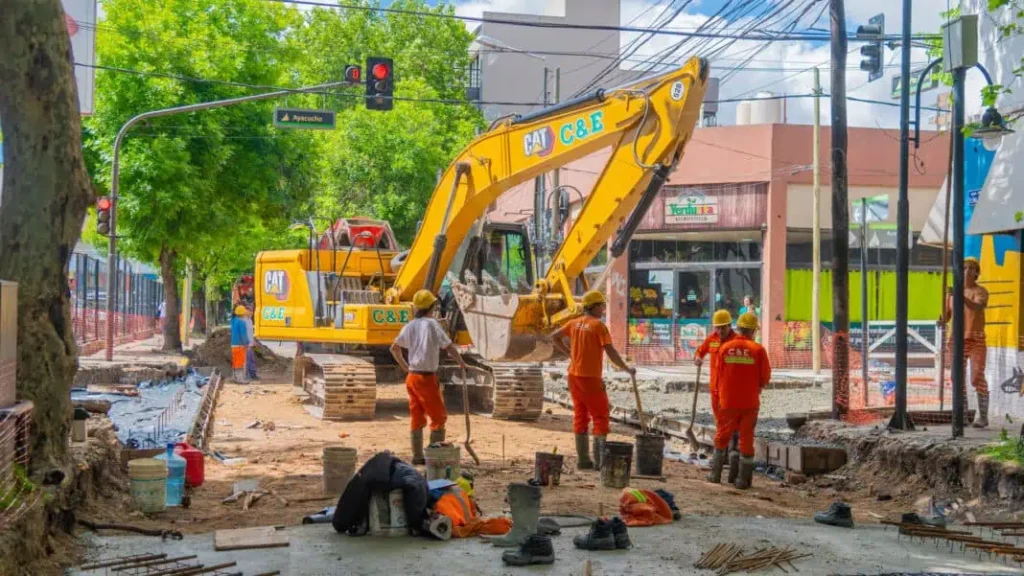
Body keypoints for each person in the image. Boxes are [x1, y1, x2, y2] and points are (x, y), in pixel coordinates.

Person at [549, 290, 635, 471]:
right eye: (602, 305)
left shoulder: (574, 323)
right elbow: (611, 351)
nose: (603, 308)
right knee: (600, 416)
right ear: (594, 306)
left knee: (580, 416)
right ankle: (599, 463)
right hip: (590, 378)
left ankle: (583, 461)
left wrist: (570, 354)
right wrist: (627, 369)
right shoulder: (598, 326)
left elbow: (554, 337)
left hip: (574, 376)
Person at [390, 289, 467, 465]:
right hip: (426, 378)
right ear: (432, 306)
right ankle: (434, 457)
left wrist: (406, 368)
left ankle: (418, 456)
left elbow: (394, 348)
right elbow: (448, 346)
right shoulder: (432, 324)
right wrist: (461, 362)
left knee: (417, 417)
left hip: (412, 377)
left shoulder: (409, 326)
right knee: (439, 418)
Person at [709, 312, 770, 489]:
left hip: (727, 402)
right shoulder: (758, 350)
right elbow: (765, 377)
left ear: (738, 328)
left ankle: (715, 475)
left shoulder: (724, 348)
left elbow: (718, 376)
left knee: (722, 436)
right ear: (752, 331)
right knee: (746, 439)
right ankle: (743, 480)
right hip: (750, 403)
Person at [939, 256, 990, 428]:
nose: (967, 271)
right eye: (964, 268)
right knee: (957, 377)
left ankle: (983, 416)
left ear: (977, 273)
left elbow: (977, 307)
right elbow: (946, 316)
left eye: (971, 268)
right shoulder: (952, 294)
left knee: (977, 377)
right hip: (956, 340)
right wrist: (940, 320)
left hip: (976, 339)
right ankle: (963, 414)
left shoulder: (980, 291)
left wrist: (959, 296)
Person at [694, 310, 741, 481]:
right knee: (720, 423)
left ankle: (726, 459)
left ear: (730, 326)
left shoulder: (737, 341)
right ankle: (725, 456)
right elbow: (700, 351)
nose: (720, 331)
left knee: (730, 424)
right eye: (718, 328)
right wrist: (698, 358)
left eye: (723, 328)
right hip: (715, 390)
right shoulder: (712, 339)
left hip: (731, 391)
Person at [230, 305, 250, 383]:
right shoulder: (242, 322)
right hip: (240, 345)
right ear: (243, 313)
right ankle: (240, 379)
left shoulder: (233, 321)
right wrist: (247, 343)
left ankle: (235, 377)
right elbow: (243, 335)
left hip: (233, 345)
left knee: (235, 361)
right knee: (240, 362)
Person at [244, 307, 258, 381]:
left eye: (252, 312)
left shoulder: (250, 321)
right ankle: (247, 375)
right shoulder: (244, 321)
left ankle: (253, 375)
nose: (252, 313)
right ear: (246, 312)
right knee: (247, 361)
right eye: (250, 312)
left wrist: (253, 341)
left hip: (250, 344)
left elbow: (250, 333)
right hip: (246, 344)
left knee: (251, 360)